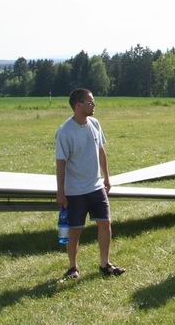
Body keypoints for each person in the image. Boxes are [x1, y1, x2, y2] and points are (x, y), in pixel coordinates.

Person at [55, 88, 125, 279]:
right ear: (78, 105)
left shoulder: (95, 123)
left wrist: (106, 177)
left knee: (105, 223)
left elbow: (101, 151)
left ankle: (105, 264)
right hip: (75, 191)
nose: (94, 105)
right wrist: (60, 192)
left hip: (96, 186)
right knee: (75, 230)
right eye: (90, 102)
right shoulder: (65, 132)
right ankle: (73, 268)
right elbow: (60, 164)